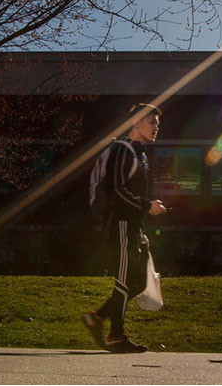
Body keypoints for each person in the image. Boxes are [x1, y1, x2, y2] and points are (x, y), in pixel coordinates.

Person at [82, 103, 167, 353]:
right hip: (120, 224)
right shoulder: (122, 149)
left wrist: (148, 208)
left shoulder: (139, 154)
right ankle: (115, 337)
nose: (156, 127)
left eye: (157, 123)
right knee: (123, 279)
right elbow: (116, 191)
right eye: (151, 122)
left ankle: (96, 318)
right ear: (135, 123)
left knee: (138, 282)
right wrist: (147, 206)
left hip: (133, 225)